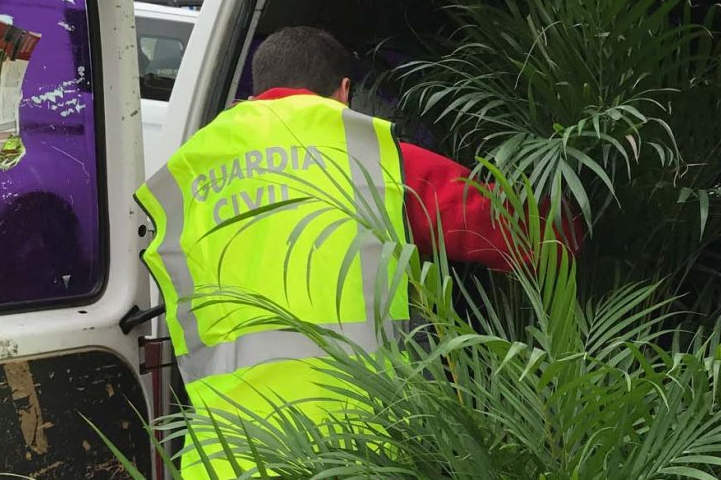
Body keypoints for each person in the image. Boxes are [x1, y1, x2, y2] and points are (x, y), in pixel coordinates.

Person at [135, 26, 572, 478]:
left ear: (256, 90)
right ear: (344, 92)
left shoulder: (187, 174)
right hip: (361, 452)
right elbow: (524, 237)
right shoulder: (379, 161)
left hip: (224, 460)